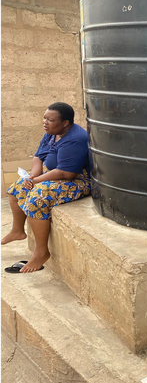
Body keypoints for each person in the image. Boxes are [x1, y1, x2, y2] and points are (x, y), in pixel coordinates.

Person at [2, 102, 91, 273]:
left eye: (50, 120)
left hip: (77, 180)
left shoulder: (75, 139)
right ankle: (17, 230)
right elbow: (38, 158)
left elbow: (66, 173)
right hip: (53, 174)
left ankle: (41, 251)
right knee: (18, 187)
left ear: (65, 122)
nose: (45, 122)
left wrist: (37, 182)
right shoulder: (52, 133)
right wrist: (32, 177)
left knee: (38, 196)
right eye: (44, 118)